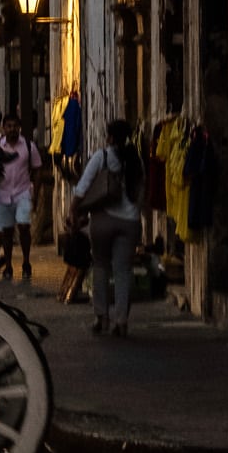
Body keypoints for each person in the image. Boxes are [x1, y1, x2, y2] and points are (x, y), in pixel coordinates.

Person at [72, 117, 144, 337]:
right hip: (130, 222)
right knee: (123, 271)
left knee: (101, 267)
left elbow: (82, 188)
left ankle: (101, 317)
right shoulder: (136, 160)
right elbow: (142, 192)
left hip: (103, 220)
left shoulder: (101, 157)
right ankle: (121, 321)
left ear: (110, 137)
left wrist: (73, 212)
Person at [0, 110, 42, 281]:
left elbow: (37, 169)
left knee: (24, 226)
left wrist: (36, 194)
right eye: (8, 126)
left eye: (15, 126)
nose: (12, 129)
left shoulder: (28, 146)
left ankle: (26, 262)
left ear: (19, 128)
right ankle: (9, 265)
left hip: (23, 192)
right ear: (3, 128)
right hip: (3, 194)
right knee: (7, 231)